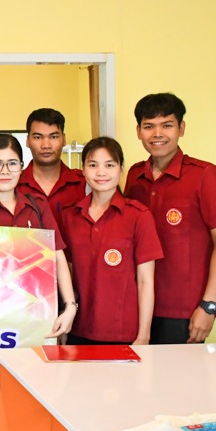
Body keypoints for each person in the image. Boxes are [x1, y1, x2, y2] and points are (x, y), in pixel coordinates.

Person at [123, 93, 216, 344]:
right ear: (138, 131)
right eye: (149, 126)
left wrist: (209, 305)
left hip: (184, 309)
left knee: (181, 371)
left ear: (181, 128)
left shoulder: (205, 175)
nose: (157, 134)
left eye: (167, 125)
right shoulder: (134, 176)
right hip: (136, 304)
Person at [0, 134, 77, 339]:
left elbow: (57, 255)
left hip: (38, 317)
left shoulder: (38, 206)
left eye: (12, 163)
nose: (5, 171)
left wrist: (70, 306)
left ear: (21, 167)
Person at [58, 137, 162, 345]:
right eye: (93, 165)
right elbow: (66, 274)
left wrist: (143, 335)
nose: (101, 172)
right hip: (78, 329)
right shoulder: (70, 216)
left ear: (121, 169)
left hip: (123, 332)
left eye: (109, 165)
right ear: (83, 169)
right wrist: (63, 318)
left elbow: (145, 281)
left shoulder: (139, 216)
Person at [16, 108, 87, 219]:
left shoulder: (85, 183)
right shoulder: (14, 184)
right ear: (28, 141)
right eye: (38, 137)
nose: (46, 145)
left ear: (64, 139)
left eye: (53, 137)